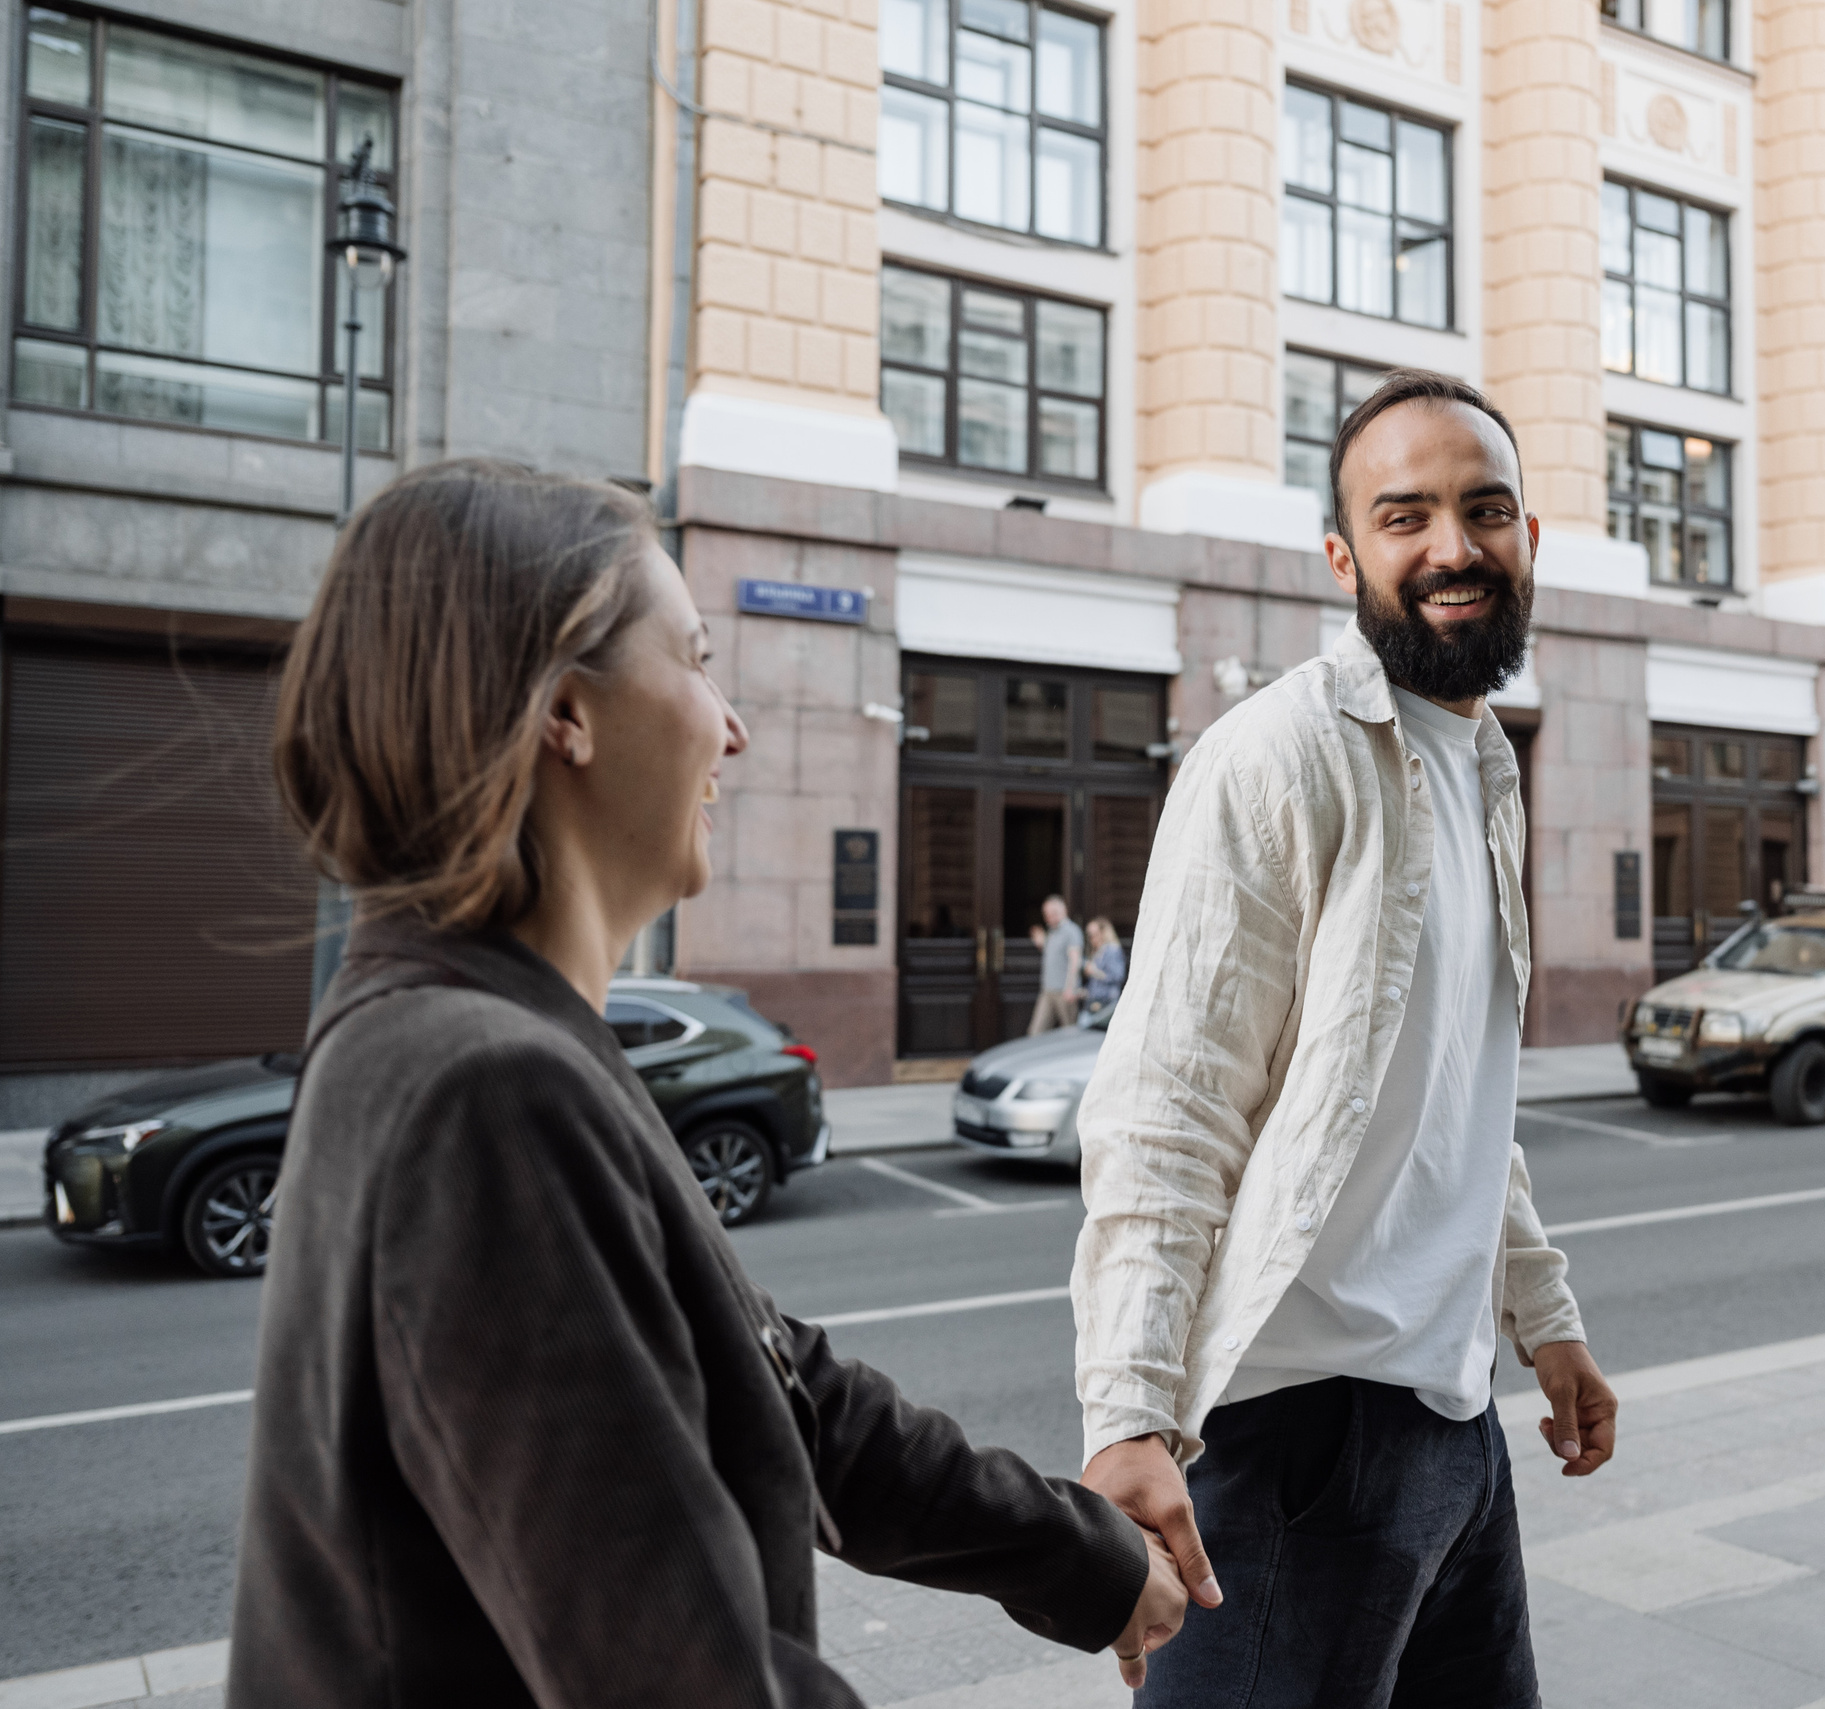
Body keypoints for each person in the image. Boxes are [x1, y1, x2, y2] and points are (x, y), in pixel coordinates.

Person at [234, 461, 1188, 1707]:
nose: (730, 726)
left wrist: (1086, 1554)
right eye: (696, 660)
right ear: (566, 711)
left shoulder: (500, 1035)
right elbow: (684, 1669)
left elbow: (790, 1393)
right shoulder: (480, 1086)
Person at [1072, 369, 1613, 1708]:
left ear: (1528, 540)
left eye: (1486, 511)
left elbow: (1456, 1102)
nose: (1451, 547)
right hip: (1291, 1444)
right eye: (1405, 515)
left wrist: (1544, 1321)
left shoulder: (1486, 770)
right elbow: (1168, 1106)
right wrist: (1129, 1415)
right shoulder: (1275, 761)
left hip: (1454, 1426)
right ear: (1345, 555)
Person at [1028, 894, 1082, 1033]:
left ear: (1063, 911)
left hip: (1064, 992)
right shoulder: (1052, 932)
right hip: (1047, 990)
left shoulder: (1072, 931)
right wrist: (1041, 943)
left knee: (1070, 1031)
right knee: (1036, 1032)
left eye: (1053, 913)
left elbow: (1075, 961)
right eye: (1046, 914)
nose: (1049, 918)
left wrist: (1070, 988)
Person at [1082, 916, 1126, 1014]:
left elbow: (1117, 976)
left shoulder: (1112, 950)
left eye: (1093, 935)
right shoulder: (1096, 952)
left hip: (1106, 1001)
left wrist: (1094, 972)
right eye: (1089, 935)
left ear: (1103, 933)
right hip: (1093, 1001)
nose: (1091, 938)